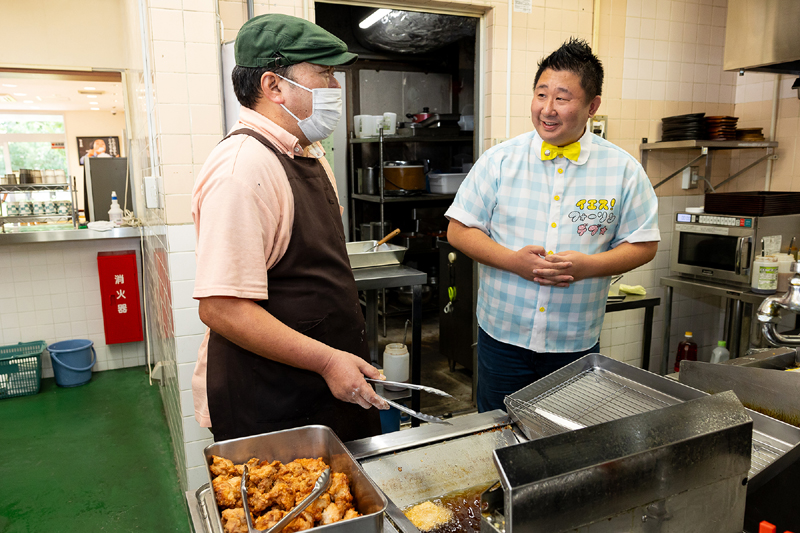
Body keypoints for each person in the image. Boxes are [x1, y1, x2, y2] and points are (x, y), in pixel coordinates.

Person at [190, 14, 387, 442]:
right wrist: (328, 361)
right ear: (273, 86)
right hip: (270, 400)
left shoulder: (307, 154)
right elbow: (221, 308)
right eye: (325, 74)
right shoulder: (243, 168)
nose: (336, 88)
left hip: (318, 389)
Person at [445, 38, 660, 412]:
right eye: (541, 95)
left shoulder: (623, 170)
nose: (547, 109)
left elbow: (643, 244)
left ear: (592, 106)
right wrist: (514, 262)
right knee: (497, 430)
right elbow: (459, 230)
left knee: (565, 436)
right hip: (502, 338)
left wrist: (588, 266)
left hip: (574, 342)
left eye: (562, 98)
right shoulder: (499, 161)